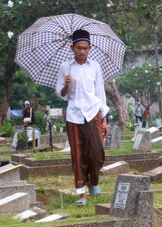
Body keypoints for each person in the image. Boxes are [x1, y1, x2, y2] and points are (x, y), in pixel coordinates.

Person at [55, 29, 109, 207]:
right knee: (77, 155)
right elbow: (61, 94)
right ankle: (81, 193)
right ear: (72, 48)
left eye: (85, 48)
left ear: (90, 48)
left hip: (93, 112)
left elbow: (100, 92)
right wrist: (66, 85)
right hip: (74, 115)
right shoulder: (65, 67)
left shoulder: (95, 66)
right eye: (79, 48)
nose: (82, 51)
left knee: (96, 153)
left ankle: (93, 181)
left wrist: (104, 118)